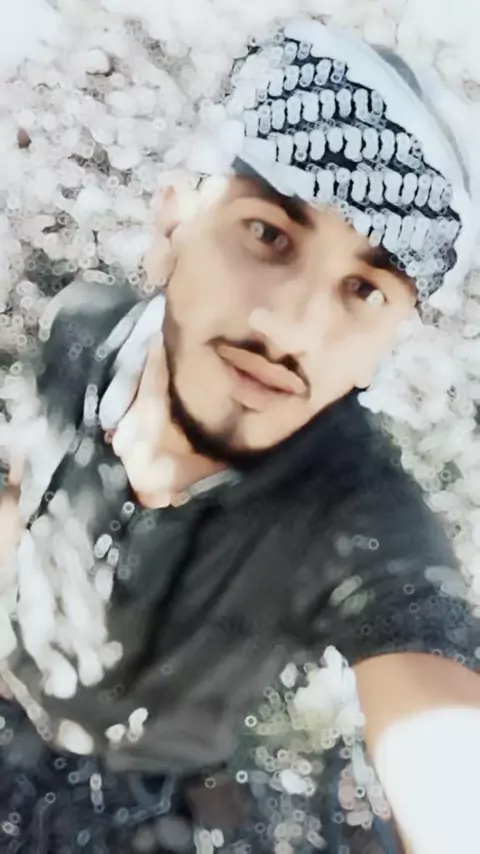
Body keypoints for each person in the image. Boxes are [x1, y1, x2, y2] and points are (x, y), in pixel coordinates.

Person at [0, 15, 479, 854]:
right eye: (268, 233)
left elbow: (441, 731)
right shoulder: (83, 328)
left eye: (364, 291)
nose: (291, 328)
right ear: (172, 224)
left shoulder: (359, 515)